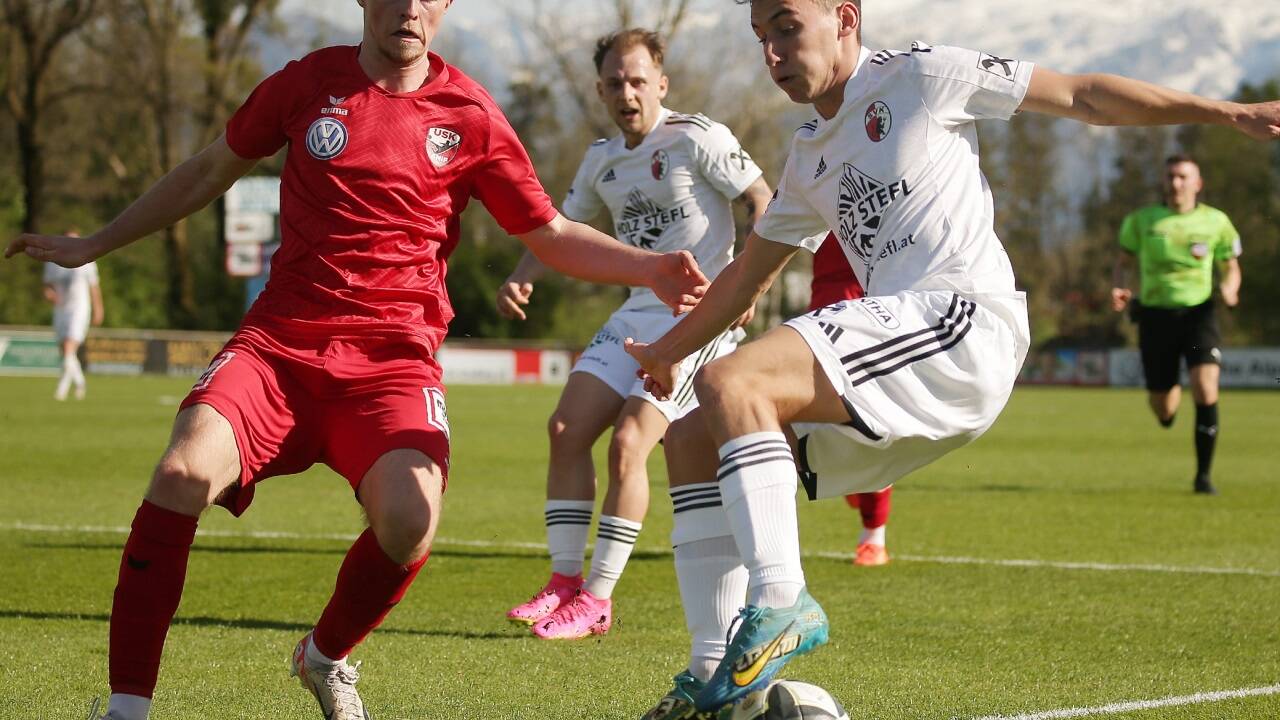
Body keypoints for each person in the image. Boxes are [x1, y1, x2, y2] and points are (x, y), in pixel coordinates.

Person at [5, 1, 708, 718]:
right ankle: (126, 710)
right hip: (279, 349)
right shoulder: (305, 84)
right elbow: (209, 169)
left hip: (391, 367)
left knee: (410, 521)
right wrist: (95, 243)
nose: (407, 8)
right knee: (182, 471)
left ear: (444, 7)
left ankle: (324, 656)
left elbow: (551, 232)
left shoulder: (469, 113)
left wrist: (649, 268)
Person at [623, 1, 1280, 716]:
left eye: (786, 27)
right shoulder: (810, 153)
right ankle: (722, 683)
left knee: (733, 379)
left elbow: (1085, 95)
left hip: (964, 319)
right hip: (908, 345)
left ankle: (781, 601)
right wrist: (664, 353)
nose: (772, 52)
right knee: (690, 438)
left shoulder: (923, 74)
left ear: (845, 18)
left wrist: (1227, 113)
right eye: (760, 37)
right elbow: (747, 278)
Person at [497, 28, 772, 641]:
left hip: (697, 317)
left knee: (629, 443)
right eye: (616, 83)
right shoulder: (601, 158)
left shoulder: (699, 138)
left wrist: (744, 283)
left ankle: (596, 599)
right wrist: (522, 275)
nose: (628, 92)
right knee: (565, 430)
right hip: (634, 314)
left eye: (639, 80)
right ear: (601, 90)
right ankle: (565, 582)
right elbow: (561, 228)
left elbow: (761, 198)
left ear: (661, 84)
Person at [1111, 154, 1242, 495]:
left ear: (1197, 184)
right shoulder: (1142, 221)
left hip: (1199, 315)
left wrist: (1230, 288)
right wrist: (1120, 287)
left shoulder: (1217, 222)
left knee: (1205, 388)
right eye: (1171, 176)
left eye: (1184, 177)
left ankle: (1203, 477)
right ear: (1163, 181)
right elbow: (1123, 263)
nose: (1176, 182)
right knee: (1164, 407)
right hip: (1155, 318)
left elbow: (1230, 266)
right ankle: (1167, 409)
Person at [809, 232, 893, 567]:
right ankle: (850, 476)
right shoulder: (812, 184)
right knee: (809, 425)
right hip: (818, 317)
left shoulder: (886, 187)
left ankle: (874, 536)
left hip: (869, 314)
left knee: (873, 426)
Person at [43, 230, 104, 401]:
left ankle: (61, 390)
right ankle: (79, 382)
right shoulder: (52, 260)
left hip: (79, 308)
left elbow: (94, 287)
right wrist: (49, 293)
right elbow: (47, 285)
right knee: (65, 352)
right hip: (61, 308)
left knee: (70, 348)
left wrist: (98, 309)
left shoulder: (86, 260)